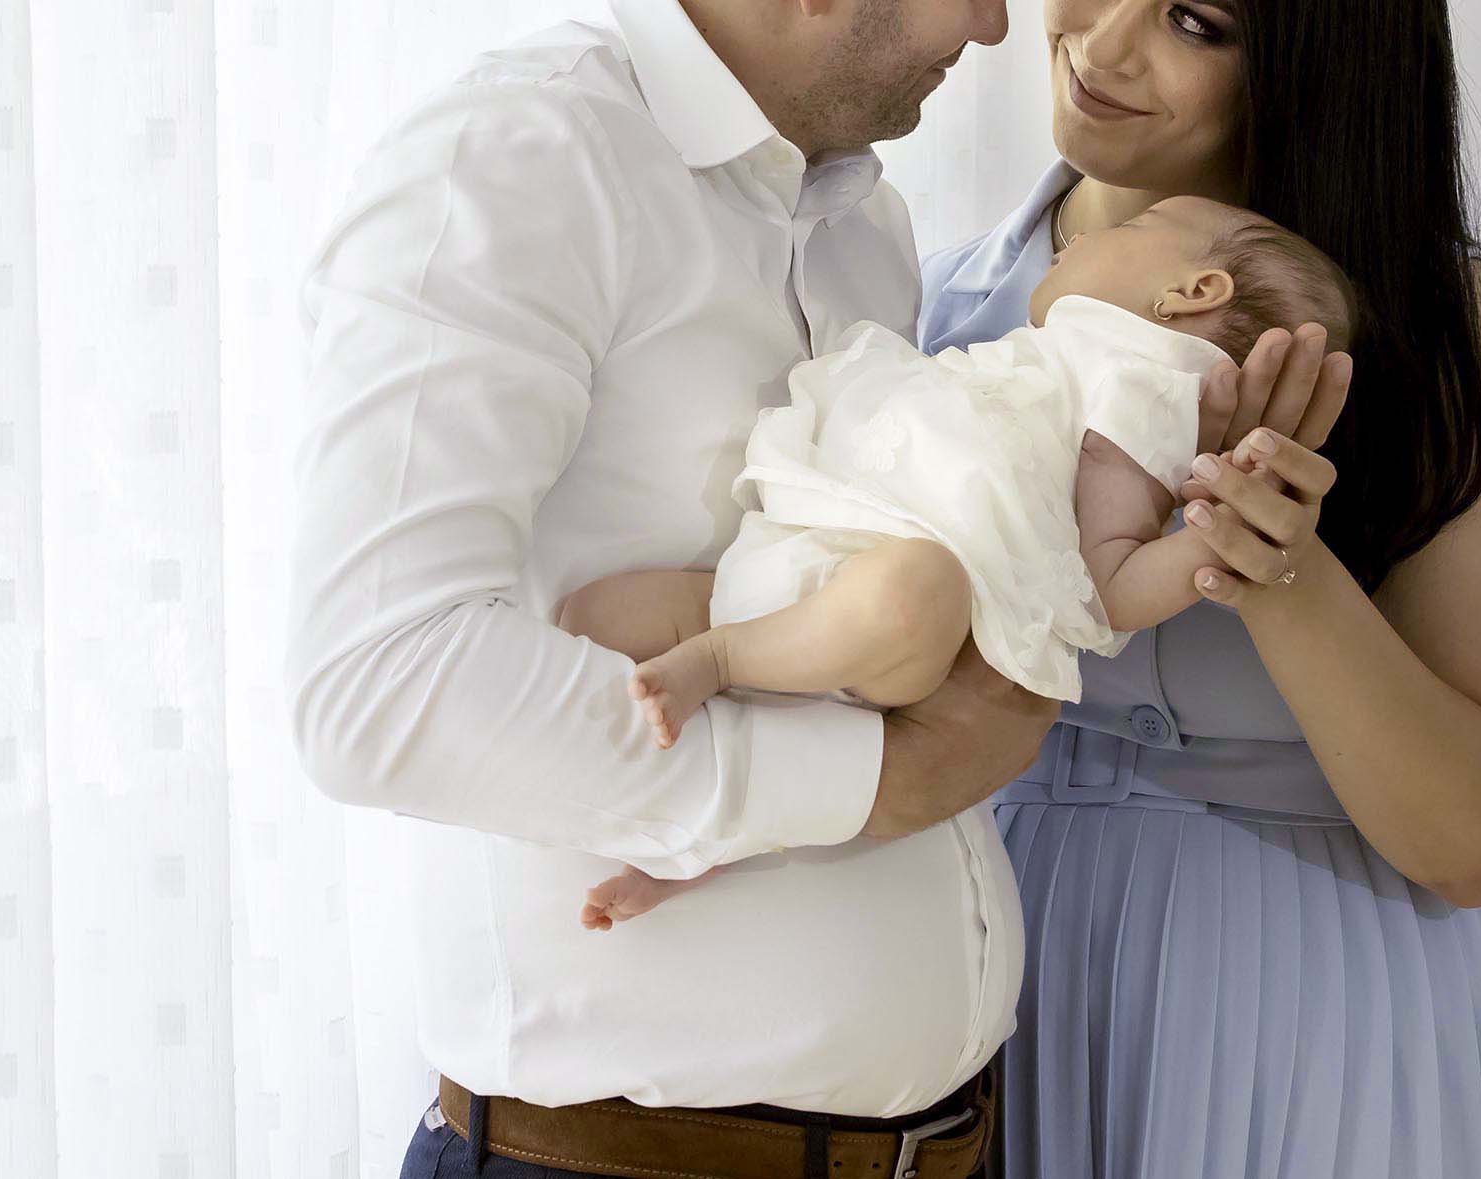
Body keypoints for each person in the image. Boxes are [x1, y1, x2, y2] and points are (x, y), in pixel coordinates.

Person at [289, 0, 1068, 1175]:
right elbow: (375, 682)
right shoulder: (510, 170)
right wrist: (871, 779)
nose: (995, 19)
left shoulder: (866, 221)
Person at [925, 0, 1481, 1177]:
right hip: (989, 980)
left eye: (1195, 22)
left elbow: (1473, 841)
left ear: (1311, 57)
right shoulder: (934, 310)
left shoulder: (1437, 333)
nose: (1101, 44)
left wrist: (1275, 568)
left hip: (1319, 1008)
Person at [557, 198, 1359, 931]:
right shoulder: (1042, 343)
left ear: (1190, 292)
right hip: (820, 535)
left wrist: (1211, 534)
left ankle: (719, 679)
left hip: (900, 594)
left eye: (1124, 232)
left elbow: (1109, 585)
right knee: (595, 615)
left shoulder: (1143, 377)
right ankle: (684, 843)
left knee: (912, 592)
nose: (1077, 237)